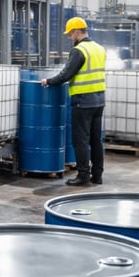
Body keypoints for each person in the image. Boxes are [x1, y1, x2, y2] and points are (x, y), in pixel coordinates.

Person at [41, 16, 106, 186]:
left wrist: (49, 81)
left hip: (83, 101)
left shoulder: (79, 50)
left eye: (70, 34)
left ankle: (83, 176)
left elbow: (66, 74)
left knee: (81, 140)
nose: (70, 38)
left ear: (77, 32)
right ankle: (97, 175)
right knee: (96, 140)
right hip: (99, 100)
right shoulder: (99, 48)